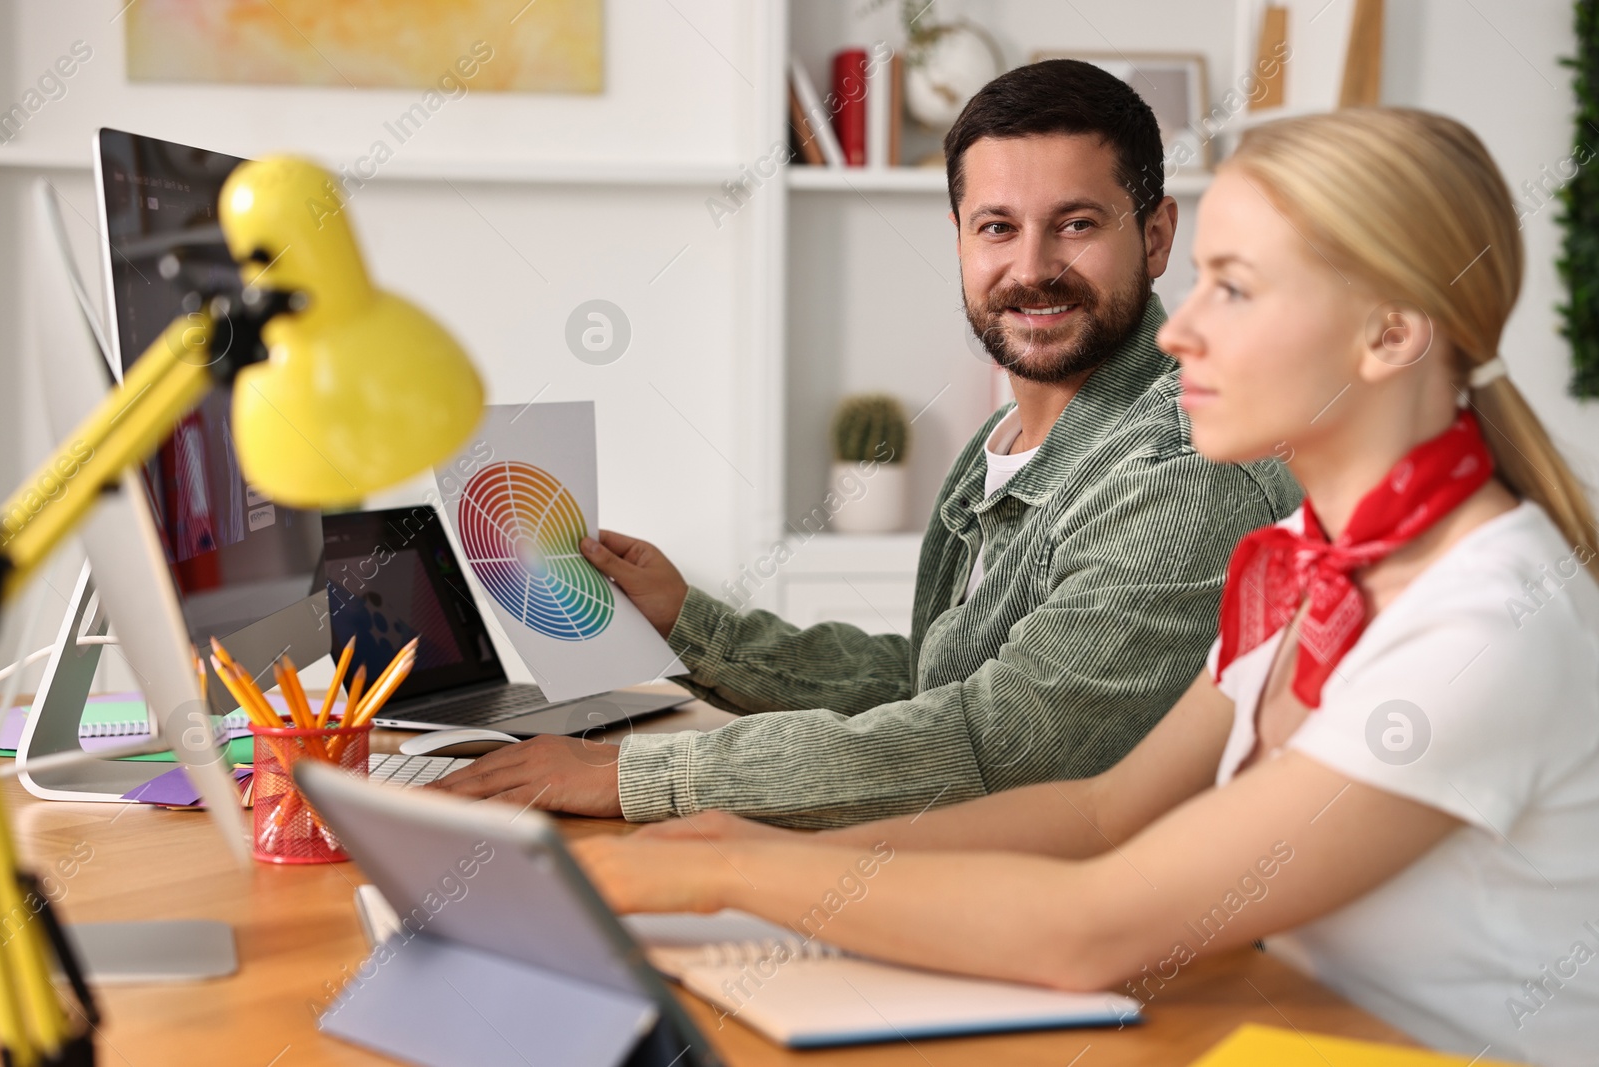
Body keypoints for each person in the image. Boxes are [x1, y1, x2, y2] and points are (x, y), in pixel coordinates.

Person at [570, 108, 1599, 1067]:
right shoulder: (1305, 553)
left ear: (1387, 334)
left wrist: (724, 873)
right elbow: (1103, 812)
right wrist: (748, 843)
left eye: (1233, 288)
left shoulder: (1482, 619)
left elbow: (1093, 923)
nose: (1174, 330)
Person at [432, 60, 1298, 825]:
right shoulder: (1008, 441)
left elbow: (1000, 742)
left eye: (1076, 224)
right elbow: (934, 684)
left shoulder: (1185, 470)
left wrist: (637, 774)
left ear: (1153, 237)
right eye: (997, 226)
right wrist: (690, 624)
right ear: (959, 239)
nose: (1032, 267)